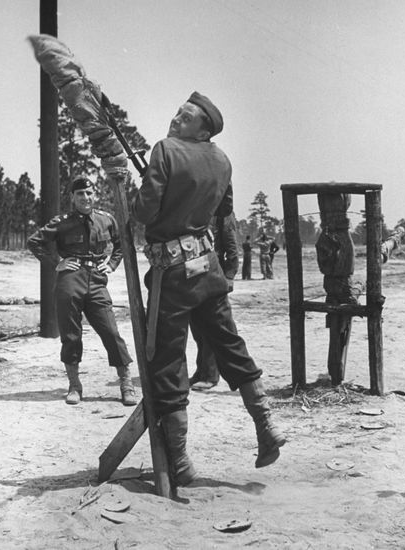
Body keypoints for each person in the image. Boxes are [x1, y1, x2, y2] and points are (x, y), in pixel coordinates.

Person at [132, 91, 286, 487]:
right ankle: (266, 426)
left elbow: (144, 212)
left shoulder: (164, 151)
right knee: (229, 345)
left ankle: (180, 463)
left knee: (166, 360)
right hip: (209, 271)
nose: (174, 120)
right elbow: (223, 212)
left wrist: (151, 195)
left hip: (173, 274)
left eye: (185, 118)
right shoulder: (223, 160)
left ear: (203, 130)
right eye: (176, 114)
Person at [27, 176, 136, 406]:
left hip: (96, 280)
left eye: (89, 193)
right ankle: (74, 385)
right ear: (72, 198)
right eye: (80, 194)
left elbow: (122, 243)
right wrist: (57, 261)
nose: (85, 198)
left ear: (94, 194)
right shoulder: (62, 222)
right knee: (71, 335)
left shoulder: (106, 220)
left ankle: (126, 383)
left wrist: (113, 264)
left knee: (111, 332)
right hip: (70, 281)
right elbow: (34, 241)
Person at [189, 212, 239, 391]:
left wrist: (230, 275)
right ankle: (201, 370)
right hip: (193, 272)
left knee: (213, 325)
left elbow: (231, 246)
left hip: (213, 272)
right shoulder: (194, 205)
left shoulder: (221, 213)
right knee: (197, 327)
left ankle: (211, 375)